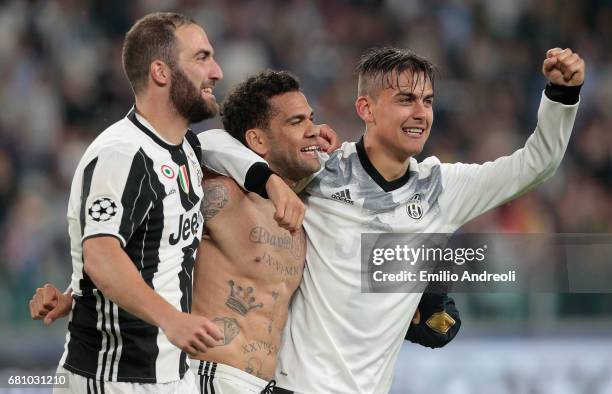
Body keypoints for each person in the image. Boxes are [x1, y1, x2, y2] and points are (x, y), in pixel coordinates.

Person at [31, 70, 461, 394]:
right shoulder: (219, 191)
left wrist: (419, 298)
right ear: (255, 140)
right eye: (296, 122)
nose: (314, 129)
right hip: (206, 376)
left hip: (267, 385)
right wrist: (78, 290)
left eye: (312, 118)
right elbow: (147, 233)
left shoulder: (307, 208)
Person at [197, 46, 585, 393]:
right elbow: (211, 143)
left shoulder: (443, 190)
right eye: (405, 99)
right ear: (366, 108)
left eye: (428, 101)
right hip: (293, 386)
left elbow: (536, 163)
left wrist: (561, 96)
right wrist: (271, 182)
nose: (421, 113)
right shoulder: (320, 173)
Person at [46, 12, 308, 393]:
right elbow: (101, 256)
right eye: (201, 58)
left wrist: (270, 181)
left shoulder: (186, 149)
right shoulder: (122, 154)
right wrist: (172, 320)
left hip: (171, 374)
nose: (216, 71)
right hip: (113, 376)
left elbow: (146, 243)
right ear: (161, 72)